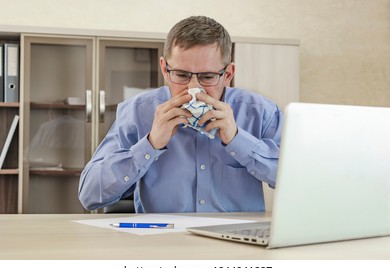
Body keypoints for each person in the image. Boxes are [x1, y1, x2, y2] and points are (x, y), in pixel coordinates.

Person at [78, 16, 283, 213]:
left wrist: (240, 141)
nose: (193, 88)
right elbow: (90, 196)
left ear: (228, 74)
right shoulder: (137, 112)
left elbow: (300, 183)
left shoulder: (260, 111)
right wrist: (150, 144)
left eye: (208, 77)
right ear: (165, 70)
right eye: (182, 75)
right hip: (163, 240)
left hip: (237, 240)